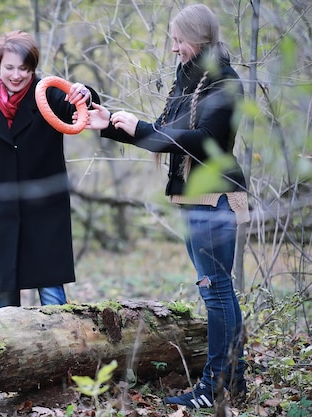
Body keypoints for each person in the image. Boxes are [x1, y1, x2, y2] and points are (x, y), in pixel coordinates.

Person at [84, 4, 248, 410]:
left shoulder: (225, 83)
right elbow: (162, 136)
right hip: (193, 199)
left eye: (179, 41)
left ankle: (216, 385)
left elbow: (203, 140)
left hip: (215, 198)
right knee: (220, 291)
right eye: (173, 41)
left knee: (218, 293)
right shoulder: (186, 81)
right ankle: (233, 380)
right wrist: (109, 125)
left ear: (200, 39)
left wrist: (142, 127)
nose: (174, 49)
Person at [0, 30, 99, 310]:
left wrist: (84, 92)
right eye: (9, 67)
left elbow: (79, 102)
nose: (15, 75)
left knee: (53, 300)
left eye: (23, 69)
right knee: (4, 303)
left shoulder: (48, 95)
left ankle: (62, 353)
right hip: (3, 218)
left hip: (46, 215)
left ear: (33, 68)